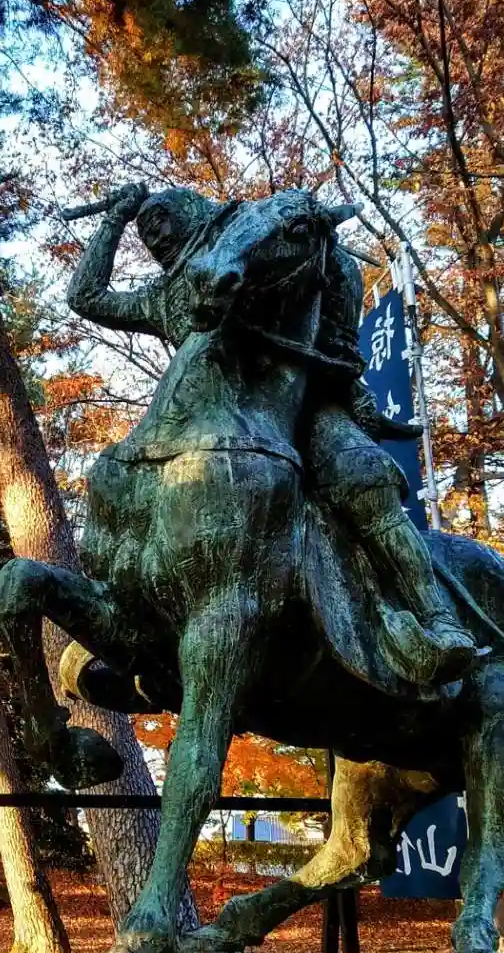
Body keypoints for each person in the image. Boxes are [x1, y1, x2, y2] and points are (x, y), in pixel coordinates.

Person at [68, 182, 475, 689]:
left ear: (195, 212)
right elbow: (85, 297)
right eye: (146, 233)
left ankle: (437, 618)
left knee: (363, 477)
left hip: (301, 408)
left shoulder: (272, 252)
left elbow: (343, 351)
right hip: (196, 428)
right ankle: (135, 633)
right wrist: (114, 220)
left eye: (162, 221)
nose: (156, 237)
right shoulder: (165, 296)